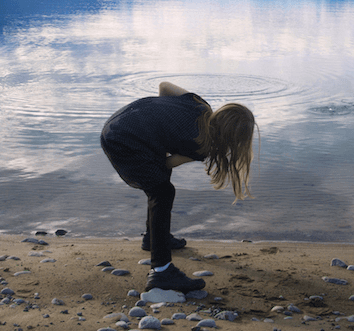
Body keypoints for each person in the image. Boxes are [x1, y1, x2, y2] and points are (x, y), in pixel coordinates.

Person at [100, 81, 256, 293]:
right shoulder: (203, 145)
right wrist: (159, 137)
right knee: (163, 191)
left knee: (159, 184)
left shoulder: (200, 105)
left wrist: (160, 122)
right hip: (124, 140)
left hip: (119, 122)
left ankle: (152, 239)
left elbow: (164, 87)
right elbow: (168, 163)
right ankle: (161, 271)